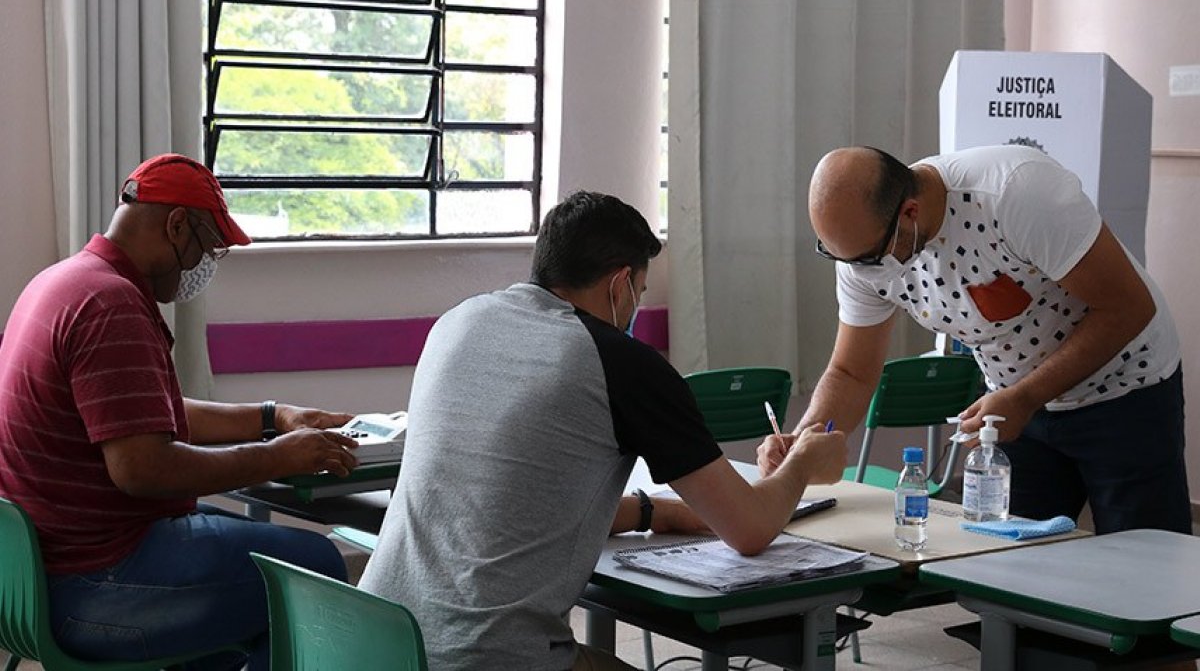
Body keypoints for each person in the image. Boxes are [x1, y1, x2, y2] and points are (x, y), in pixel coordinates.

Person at [359, 191, 846, 671]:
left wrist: (657, 514)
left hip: (377, 639)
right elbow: (751, 529)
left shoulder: (457, 322)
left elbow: (514, 493)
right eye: (641, 292)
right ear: (620, 285)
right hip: (482, 655)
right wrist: (804, 459)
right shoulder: (618, 361)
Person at [0, 154, 361, 671]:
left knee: (247, 564)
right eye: (207, 247)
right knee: (317, 569)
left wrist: (272, 417)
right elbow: (142, 467)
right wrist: (278, 458)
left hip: (35, 577)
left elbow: (146, 417)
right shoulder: (111, 305)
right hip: (93, 586)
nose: (202, 265)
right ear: (175, 225)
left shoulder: (61, 283)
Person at [761, 143, 1188, 536]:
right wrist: (803, 444)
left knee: (1142, 560)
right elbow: (852, 372)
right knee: (1014, 569)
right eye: (841, 257)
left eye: (870, 258)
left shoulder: (1014, 193)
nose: (863, 273)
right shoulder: (860, 251)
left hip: (1124, 389)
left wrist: (1024, 397)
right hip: (1013, 405)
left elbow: (1127, 306)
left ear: (909, 212)